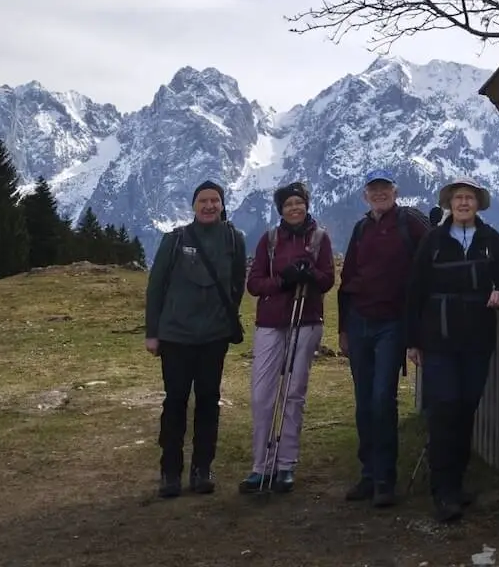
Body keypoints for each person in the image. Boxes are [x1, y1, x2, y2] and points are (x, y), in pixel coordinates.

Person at [406, 176, 499, 521]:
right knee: (444, 410)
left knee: (467, 407)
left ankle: (457, 482)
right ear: (449, 204)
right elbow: (415, 289)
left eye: (469, 197)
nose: (463, 203)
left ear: (478, 204)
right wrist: (412, 339)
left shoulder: (490, 240)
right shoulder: (434, 241)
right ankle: (444, 491)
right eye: (458, 198)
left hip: (476, 340)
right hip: (439, 340)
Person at [144, 180, 247, 499]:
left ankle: (203, 469)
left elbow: (237, 283)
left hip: (214, 337)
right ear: (193, 205)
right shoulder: (175, 239)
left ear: (222, 204)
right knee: (174, 401)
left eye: (214, 200)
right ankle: (170, 472)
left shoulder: (234, 239)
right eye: (203, 200)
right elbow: (155, 287)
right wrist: (152, 332)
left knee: (208, 401)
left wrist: (226, 318)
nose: (209, 205)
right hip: (175, 336)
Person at [337, 169, 428, 506]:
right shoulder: (362, 229)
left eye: (384, 189)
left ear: (395, 191)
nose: (379, 195)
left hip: (392, 324)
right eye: (373, 190)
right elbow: (347, 278)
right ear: (365, 195)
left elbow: (428, 262)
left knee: (381, 399)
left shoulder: (410, 224)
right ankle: (368, 474)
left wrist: (417, 325)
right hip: (360, 322)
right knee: (364, 402)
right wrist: (343, 329)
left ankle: (385, 480)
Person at [242, 180, 335, 495]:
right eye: (288, 204)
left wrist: (309, 276)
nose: (294, 208)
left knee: (294, 393)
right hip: (271, 322)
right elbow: (254, 283)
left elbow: (327, 281)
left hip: (306, 321)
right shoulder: (269, 240)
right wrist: (282, 281)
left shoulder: (320, 238)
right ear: (281, 209)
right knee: (262, 394)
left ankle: (286, 465)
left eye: (299, 203)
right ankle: (261, 465)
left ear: (307, 205)